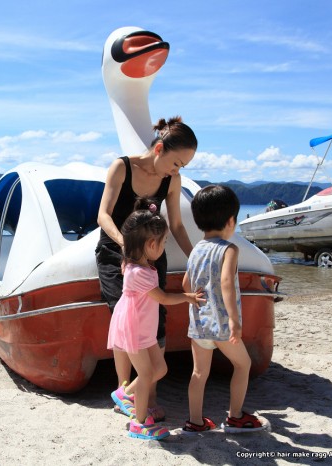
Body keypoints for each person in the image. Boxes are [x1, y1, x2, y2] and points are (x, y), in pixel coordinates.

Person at [97, 116, 197, 421]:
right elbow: (103, 215)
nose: (177, 171)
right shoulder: (122, 167)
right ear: (159, 149)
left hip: (151, 258)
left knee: (155, 319)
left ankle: (148, 393)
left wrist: (195, 258)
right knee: (125, 317)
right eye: (176, 163)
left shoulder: (172, 180)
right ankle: (124, 392)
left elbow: (177, 225)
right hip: (116, 252)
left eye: (183, 166)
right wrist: (126, 247)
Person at [107, 200, 205, 440]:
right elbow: (162, 298)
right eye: (164, 242)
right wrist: (187, 297)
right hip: (135, 328)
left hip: (144, 328)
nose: (164, 246)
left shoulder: (136, 265)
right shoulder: (140, 273)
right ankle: (139, 423)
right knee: (146, 374)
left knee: (159, 369)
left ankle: (125, 394)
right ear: (151, 245)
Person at [182, 184, 267, 433]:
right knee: (242, 365)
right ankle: (235, 416)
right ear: (231, 221)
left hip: (199, 324)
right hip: (220, 325)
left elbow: (186, 284)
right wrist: (234, 319)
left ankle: (195, 421)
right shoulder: (229, 249)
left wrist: (196, 300)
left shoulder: (196, 249)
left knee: (199, 373)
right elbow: (227, 281)